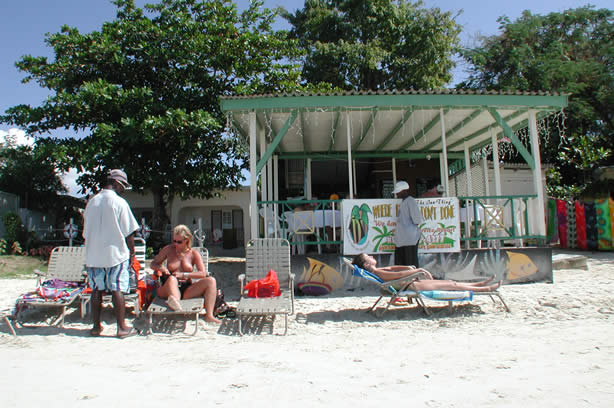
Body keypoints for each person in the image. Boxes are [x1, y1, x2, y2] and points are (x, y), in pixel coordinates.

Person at [82, 169, 140, 338]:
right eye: (123, 186)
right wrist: (132, 254)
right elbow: (129, 232)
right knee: (117, 289)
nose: (123, 190)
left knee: (96, 290)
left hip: (94, 255)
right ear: (116, 183)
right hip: (115, 254)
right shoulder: (119, 203)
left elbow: (85, 233)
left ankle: (95, 327)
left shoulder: (91, 202)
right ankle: (122, 327)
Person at [150, 225, 220, 323]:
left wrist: (185, 275)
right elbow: (153, 264)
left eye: (179, 242)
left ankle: (209, 315)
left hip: (186, 287)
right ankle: (174, 301)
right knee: (172, 279)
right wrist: (161, 268)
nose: (175, 244)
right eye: (174, 241)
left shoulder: (193, 253)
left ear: (187, 240)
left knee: (211, 281)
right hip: (168, 286)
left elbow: (203, 273)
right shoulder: (168, 250)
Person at [352, 253, 500, 292]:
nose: (372, 257)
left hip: (411, 283)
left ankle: (480, 283)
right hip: (413, 286)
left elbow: (394, 269)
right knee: (450, 284)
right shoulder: (379, 273)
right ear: (366, 264)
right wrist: (419, 271)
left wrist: (409, 268)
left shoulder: (378, 270)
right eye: (369, 258)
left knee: (449, 283)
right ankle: (485, 288)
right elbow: (397, 276)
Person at [392, 180, 423, 267]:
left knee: (410, 262)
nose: (397, 194)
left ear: (404, 191)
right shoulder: (404, 202)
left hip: (410, 239)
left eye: (398, 192)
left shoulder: (411, 201)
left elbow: (417, 220)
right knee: (402, 262)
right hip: (403, 239)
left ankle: (413, 279)